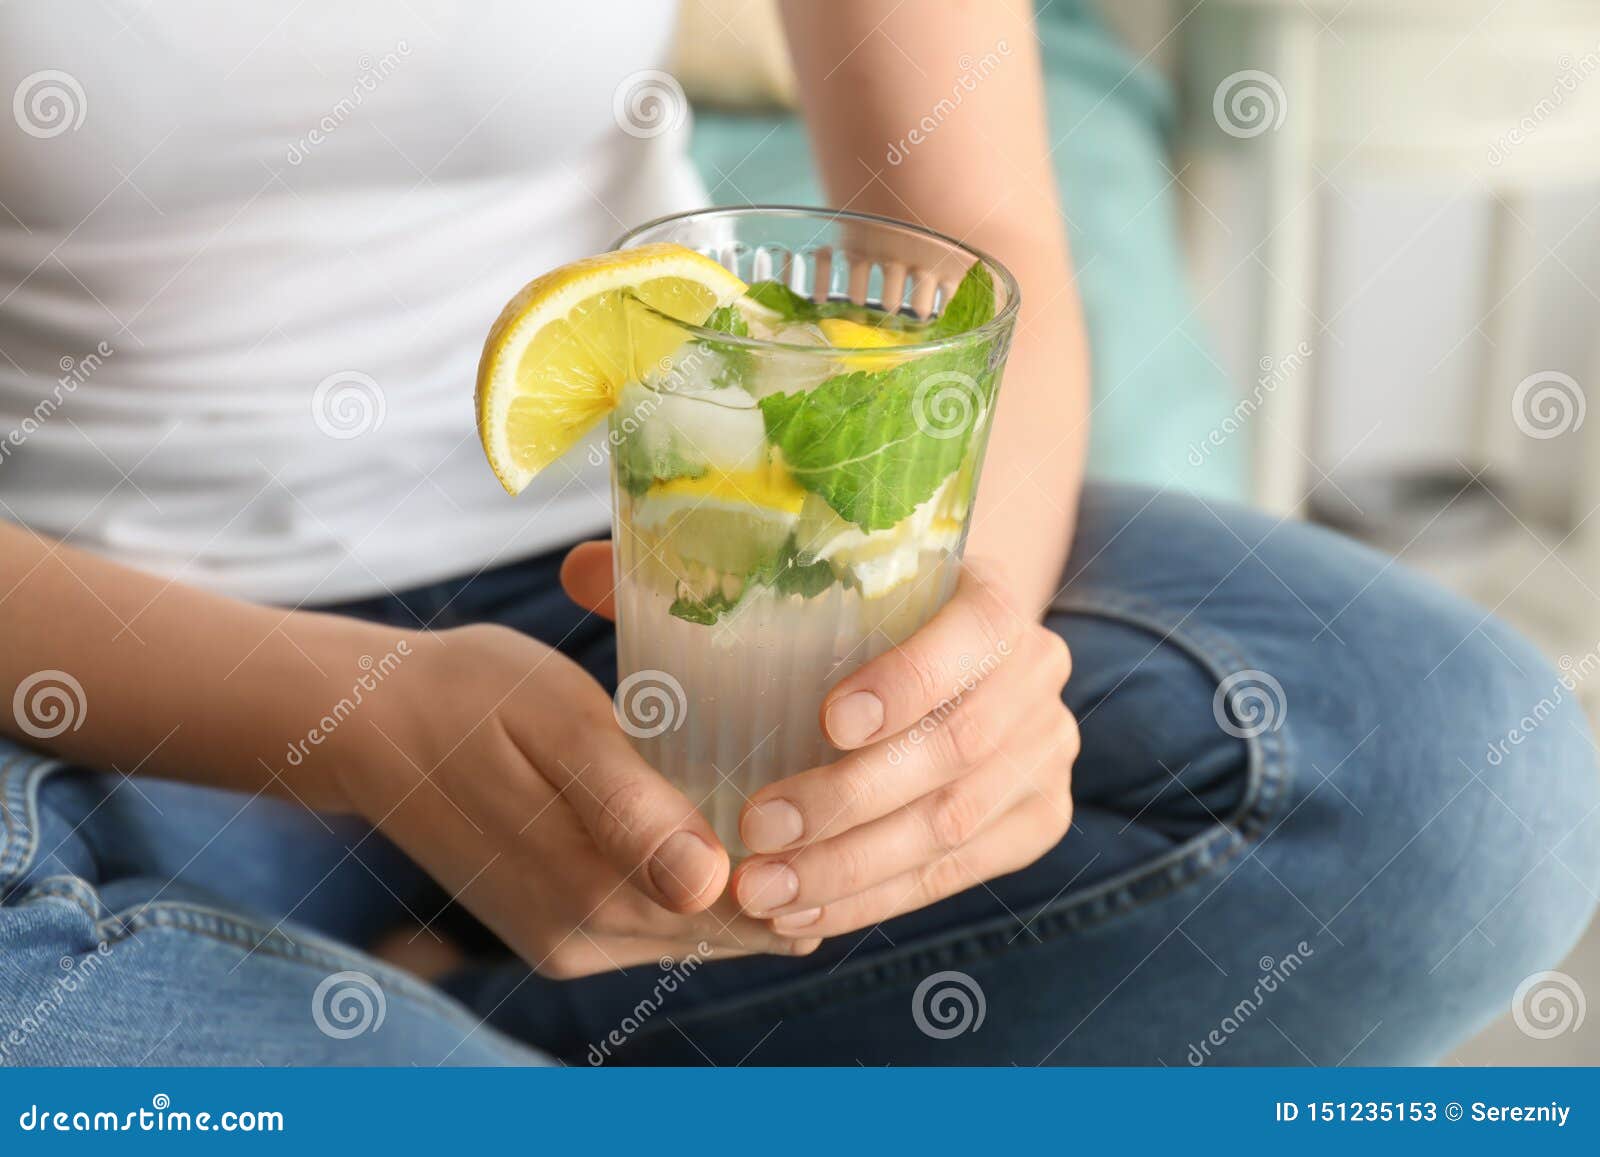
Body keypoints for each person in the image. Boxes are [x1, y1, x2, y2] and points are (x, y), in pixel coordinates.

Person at [1, 0, 1595, 1067]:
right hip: (107, 670)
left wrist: (962, 643)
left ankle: (392, 1036)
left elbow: (980, 245)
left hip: (670, 555)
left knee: (1466, 777)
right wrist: (360, 729)